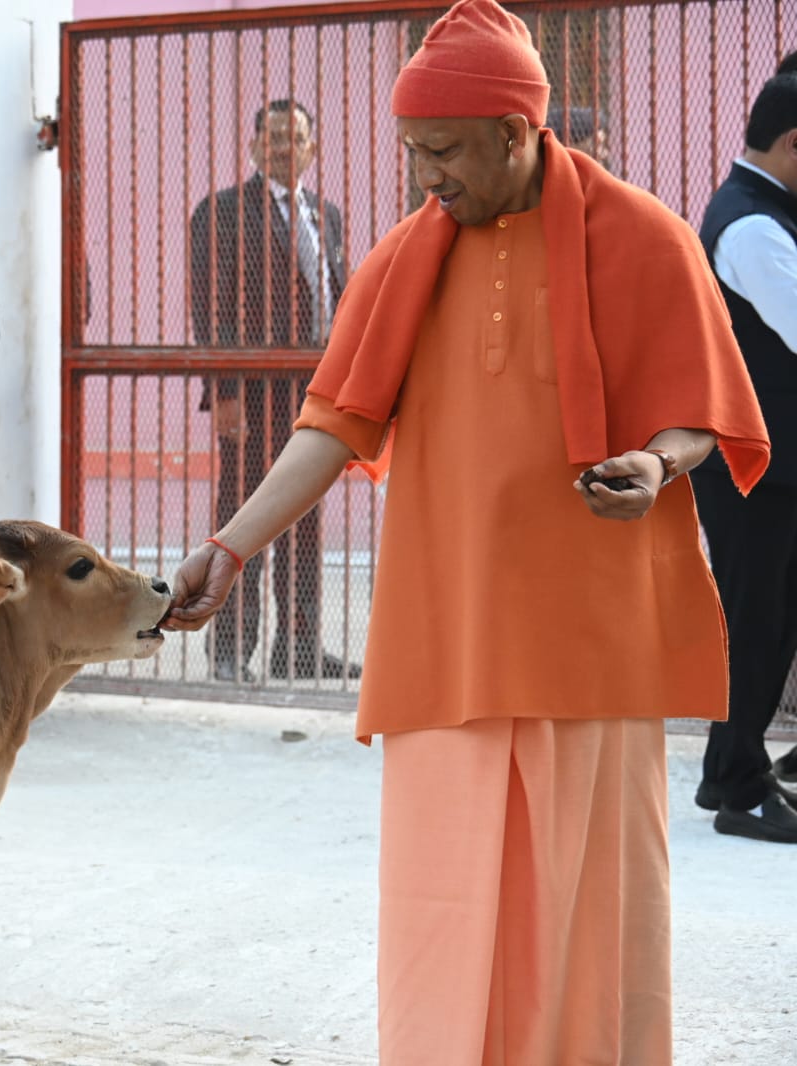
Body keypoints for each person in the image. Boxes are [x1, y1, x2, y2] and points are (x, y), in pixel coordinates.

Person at [166, 1, 768, 1059]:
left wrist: (655, 461)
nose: (426, 175)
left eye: (444, 150)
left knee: (589, 901)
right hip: (449, 631)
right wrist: (230, 545)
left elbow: (701, 407)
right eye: (412, 152)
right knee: (441, 897)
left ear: (517, 130)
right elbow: (330, 426)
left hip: (592, 636)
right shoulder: (404, 258)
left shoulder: (647, 238)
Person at [187, 98, 356, 682]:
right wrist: (226, 392)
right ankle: (231, 649)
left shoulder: (327, 214)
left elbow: (341, 299)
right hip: (254, 395)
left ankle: (300, 646)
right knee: (243, 517)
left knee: (305, 517)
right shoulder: (222, 212)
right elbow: (210, 310)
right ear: (256, 144)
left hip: (315, 391)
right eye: (276, 137)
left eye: (298, 138)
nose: (287, 148)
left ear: (313, 148)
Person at [691, 73, 797, 843]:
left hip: (771, 460)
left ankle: (725, 771)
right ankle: (739, 787)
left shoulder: (767, 214)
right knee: (755, 622)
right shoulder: (752, 228)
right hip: (754, 465)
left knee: (766, 618)